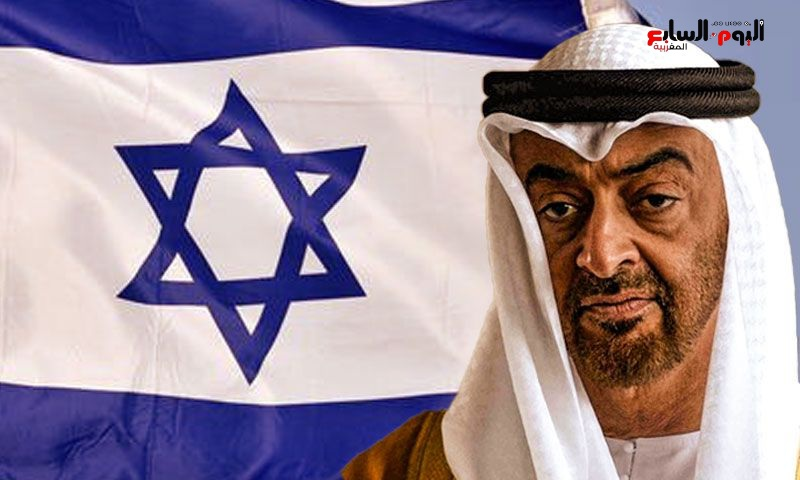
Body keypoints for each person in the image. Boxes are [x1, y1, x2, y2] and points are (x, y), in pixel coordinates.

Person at [343, 23, 799, 480]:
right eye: (559, 208)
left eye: (655, 200)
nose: (602, 255)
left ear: (736, 216)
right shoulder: (405, 469)